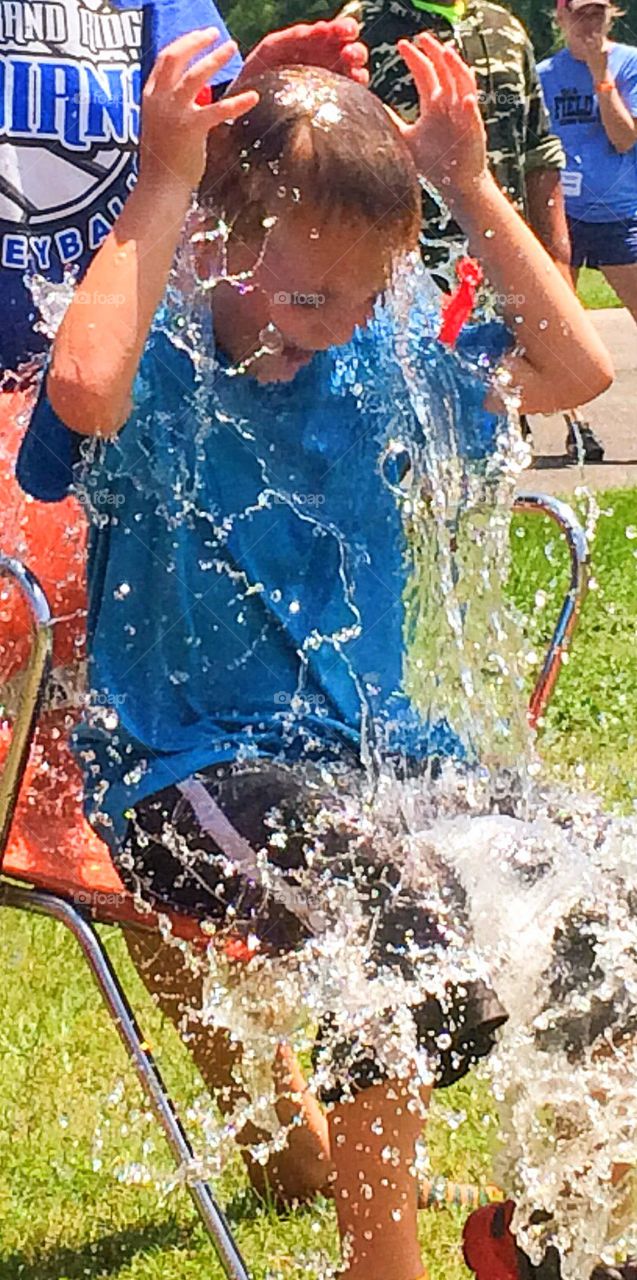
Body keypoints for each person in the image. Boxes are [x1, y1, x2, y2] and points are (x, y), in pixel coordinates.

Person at [16, 26, 611, 1280]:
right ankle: (377, 1265)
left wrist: (468, 181)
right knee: (387, 901)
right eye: (303, 298)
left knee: (606, 889)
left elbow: (575, 363)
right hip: (187, 772)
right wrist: (165, 176)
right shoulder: (163, 367)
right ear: (218, 244)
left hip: (366, 762)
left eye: (359, 299)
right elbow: (77, 388)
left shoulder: (378, 361)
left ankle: (559, 1233)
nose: (331, 330)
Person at [342, 0, 607, 462]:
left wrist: (557, 262)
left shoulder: (504, 28)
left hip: (499, 286)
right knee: (389, 452)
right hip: (402, 299)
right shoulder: (360, 30)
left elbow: (539, 155)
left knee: (488, 467)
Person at [539, 1, 637, 328]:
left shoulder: (629, 63)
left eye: (597, 15)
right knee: (558, 323)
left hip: (618, 214)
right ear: (561, 16)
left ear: (611, 17)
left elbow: (624, 139)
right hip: (563, 215)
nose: (589, 24)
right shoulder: (544, 74)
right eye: (580, 14)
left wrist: (601, 77)